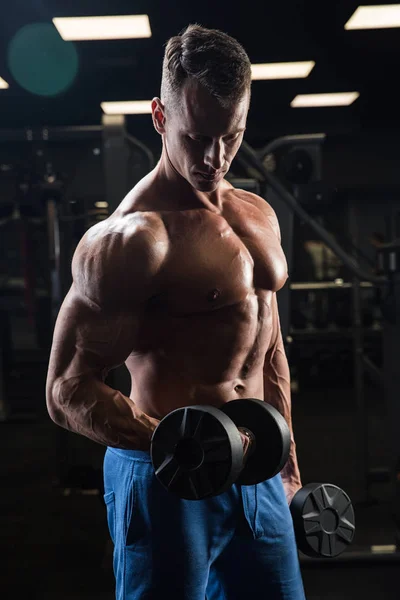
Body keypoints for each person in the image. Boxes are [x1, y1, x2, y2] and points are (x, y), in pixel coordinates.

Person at [46, 24, 305, 600]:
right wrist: (171, 443)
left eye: (231, 136)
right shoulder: (134, 241)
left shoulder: (258, 215)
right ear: (160, 117)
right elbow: (65, 389)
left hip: (258, 467)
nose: (214, 157)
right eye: (197, 137)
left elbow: (271, 347)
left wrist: (287, 467)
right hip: (167, 477)